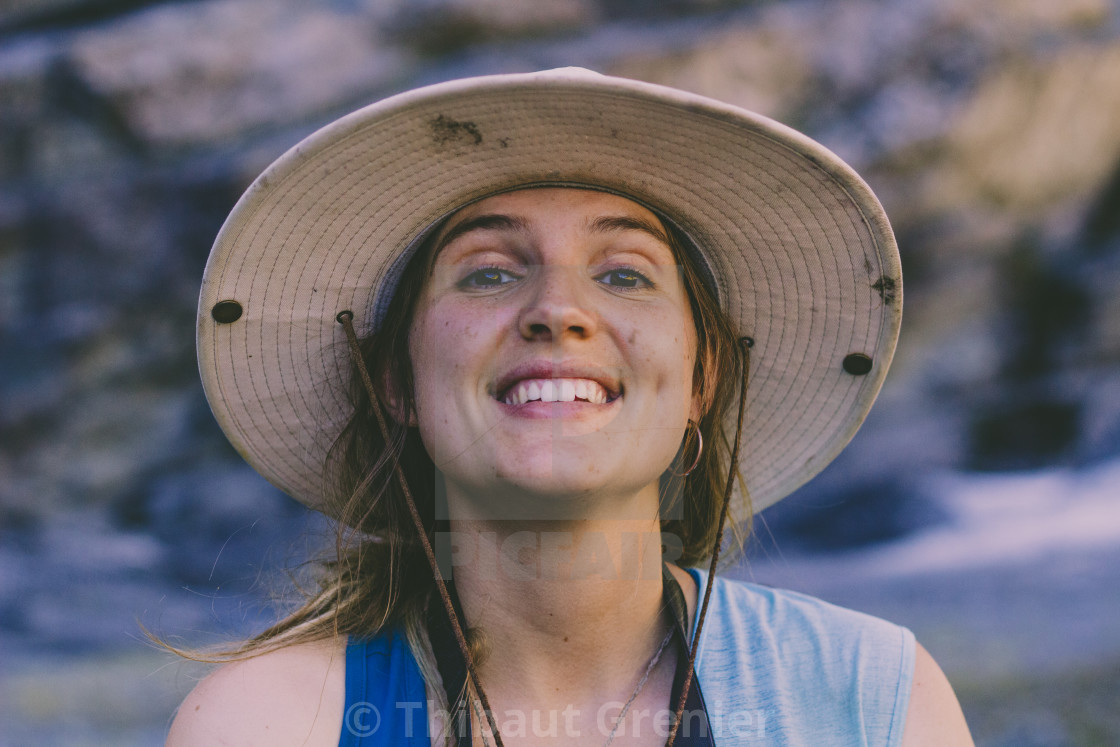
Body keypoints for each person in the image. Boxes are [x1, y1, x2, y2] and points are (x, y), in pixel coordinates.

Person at [167, 68, 973, 745]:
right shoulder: (268, 722)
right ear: (398, 382)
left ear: (703, 378)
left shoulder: (873, 699)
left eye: (624, 273)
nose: (557, 309)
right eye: (488, 271)